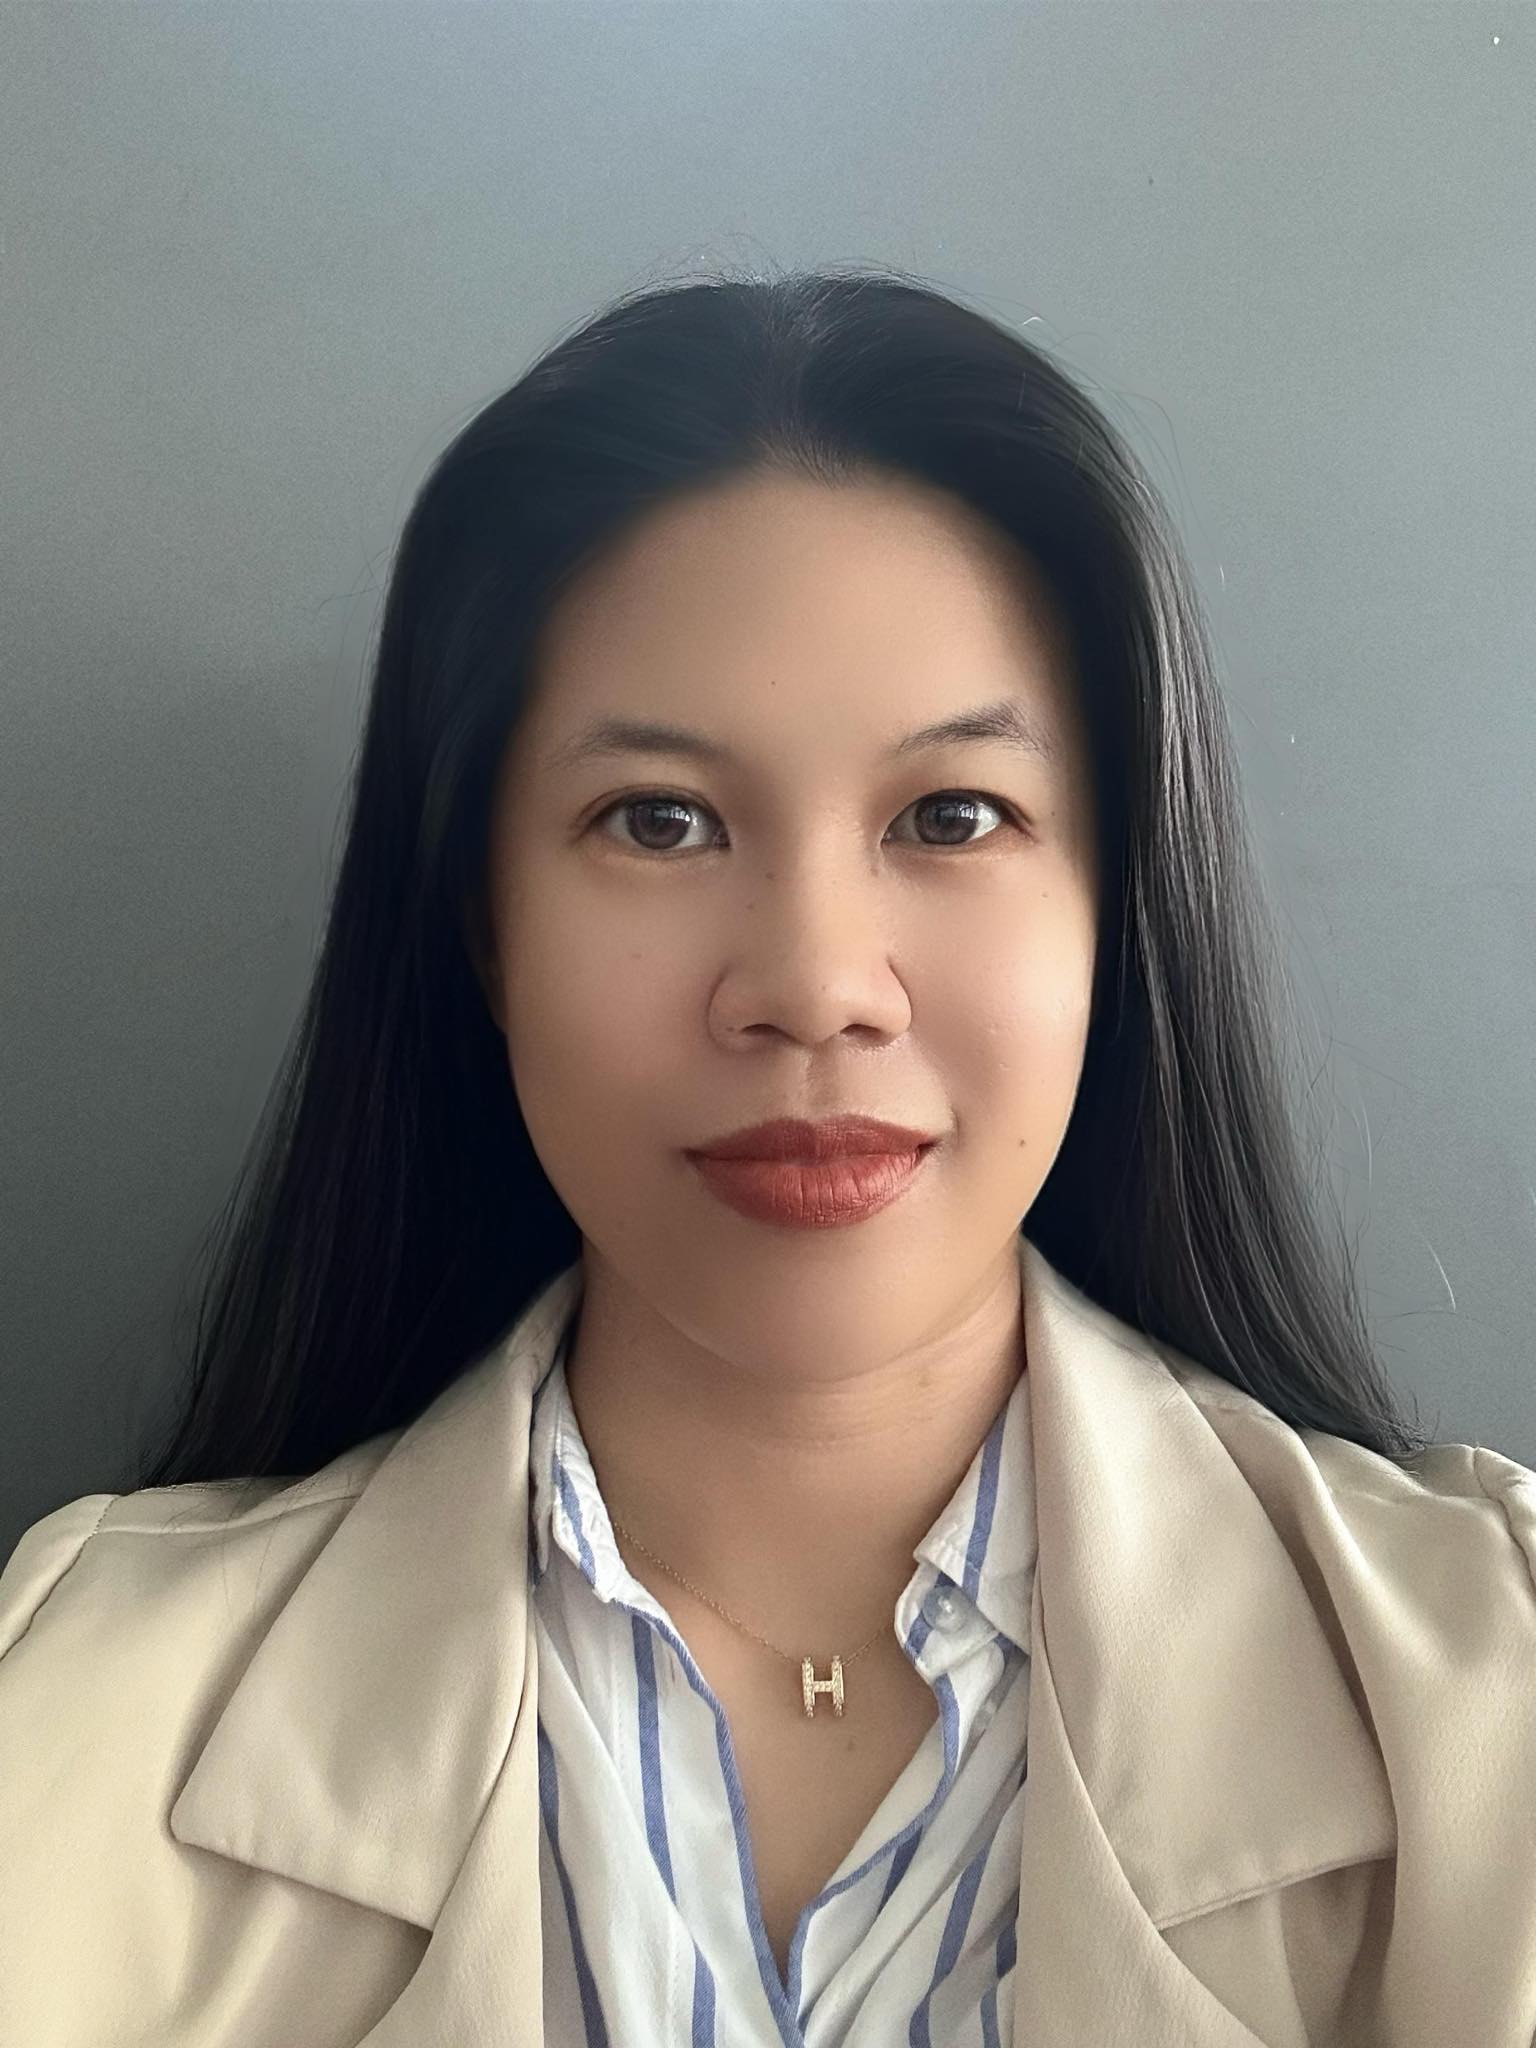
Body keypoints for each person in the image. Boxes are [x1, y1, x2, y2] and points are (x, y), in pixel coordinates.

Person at [3, 265, 1534, 2048]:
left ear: (1115, 911)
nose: (814, 986)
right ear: (483, 926)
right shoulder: (71, 1715)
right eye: (659, 821)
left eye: (952, 815)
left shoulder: (1497, 1685)